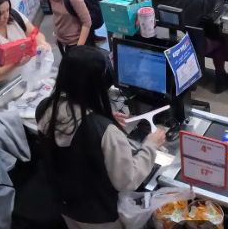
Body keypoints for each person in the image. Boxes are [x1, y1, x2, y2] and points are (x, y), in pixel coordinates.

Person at [36, 46, 166, 229]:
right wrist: (151, 146)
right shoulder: (105, 132)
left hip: (65, 205)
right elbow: (126, 180)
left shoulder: (44, 109)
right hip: (100, 217)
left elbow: (74, 122)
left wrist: (99, 114)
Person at [148, 0, 228, 93]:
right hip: (188, 49)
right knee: (219, 39)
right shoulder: (188, 1)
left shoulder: (153, 2)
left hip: (166, 48)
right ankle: (221, 80)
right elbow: (209, 0)